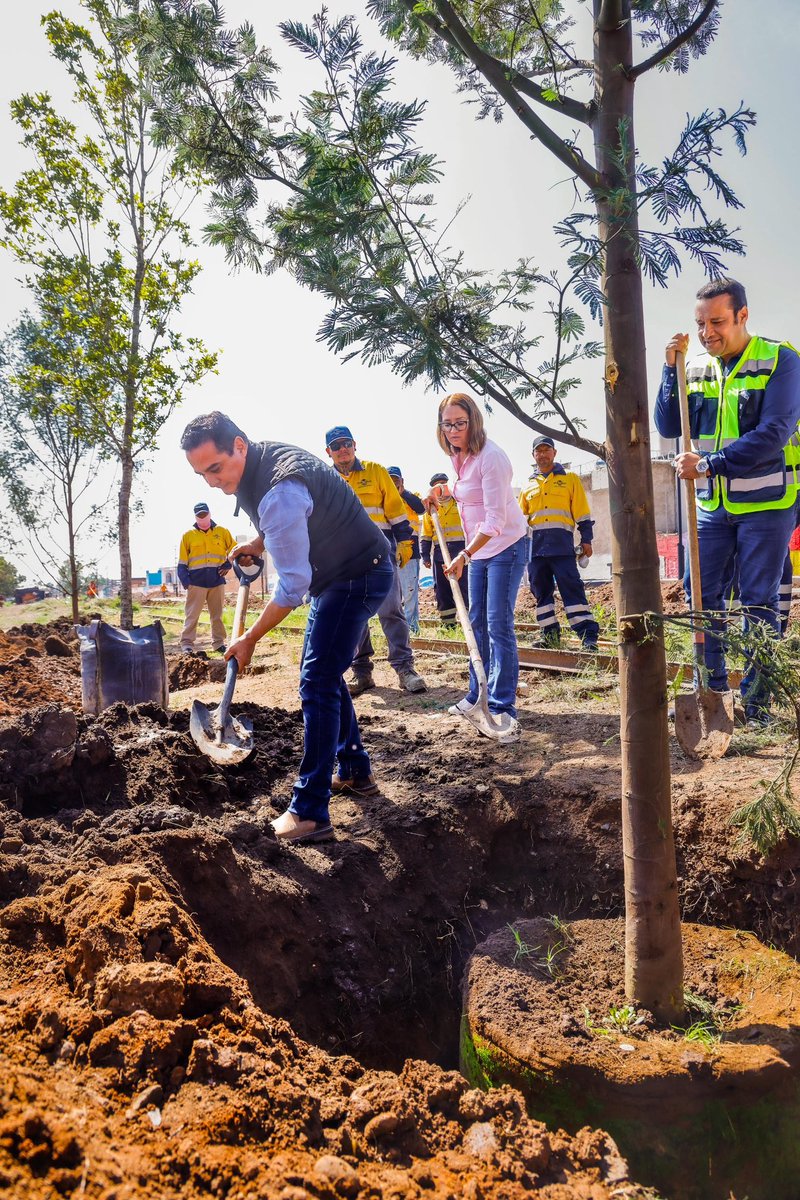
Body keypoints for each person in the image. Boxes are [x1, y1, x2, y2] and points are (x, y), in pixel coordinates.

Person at [180, 411, 394, 845]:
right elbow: (297, 517)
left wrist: (248, 639)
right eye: (201, 473)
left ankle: (310, 812)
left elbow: (291, 587)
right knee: (324, 675)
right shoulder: (265, 462)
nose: (211, 482)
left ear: (238, 446)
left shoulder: (279, 492)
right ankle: (354, 769)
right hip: (336, 576)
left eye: (215, 468)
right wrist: (259, 542)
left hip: (358, 576)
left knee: (315, 682)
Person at [654, 277, 800, 725]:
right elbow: (665, 424)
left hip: (766, 503)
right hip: (710, 508)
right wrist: (668, 370)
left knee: (758, 602)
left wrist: (711, 464)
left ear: (743, 316)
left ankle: (757, 706)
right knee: (703, 598)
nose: (707, 332)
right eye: (700, 323)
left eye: (717, 321)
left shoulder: (780, 360)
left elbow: (774, 432)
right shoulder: (695, 369)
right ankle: (711, 693)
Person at [427, 393, 529, 743]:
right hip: (481, 551)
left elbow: (496, 520)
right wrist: (442, 490)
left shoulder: (492, 458)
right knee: (476, 622)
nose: (453, 430)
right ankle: (476, 696)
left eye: (460, 423)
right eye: (447, 424)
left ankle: (503, 706)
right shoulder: (460, 458)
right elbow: (465, 493)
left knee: (498, 622)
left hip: (506, 546)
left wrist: (465, 554)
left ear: (473, 421)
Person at [325, 426, 426, 695]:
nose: (342, 449)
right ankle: (362, 673)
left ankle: (405, 669)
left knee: (391, 610)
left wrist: (405, 543)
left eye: (346, 443)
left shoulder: (376, 471)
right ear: (329, 452)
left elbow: (395, 509)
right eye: (336, 446)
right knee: (354, 616)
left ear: (355, 445)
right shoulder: (323, 479)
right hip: (345, 557)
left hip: (380, 551)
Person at [518, 436, 599, 650]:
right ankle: (550, 636)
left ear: (554, 453)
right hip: (535, 551)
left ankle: (588, 636)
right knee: (541, 592)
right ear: (533, 455)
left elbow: (582, 512)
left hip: (561, 548)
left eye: (547, 450)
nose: (542, 454)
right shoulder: (528, 486)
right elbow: (519, 522)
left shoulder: (570, 479)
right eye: (539, 451)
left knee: (572, 589)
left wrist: (587, 539)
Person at [177, 501, 234, 654]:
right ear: (195, 517)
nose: (202, 517)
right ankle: (187, 644)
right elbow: (182, 562)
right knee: (192, 615)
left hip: (216, 581)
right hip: (196, 582)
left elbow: (235, 550)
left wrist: (228, 564)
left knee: (217, 616)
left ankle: (219, 643)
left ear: (209, 513)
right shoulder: (188, 535)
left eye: (204, 514)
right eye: (199, 515)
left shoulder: (222, 532)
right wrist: (186, 582)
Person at [420, 472, 469, 626]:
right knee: (442, 589)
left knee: (464, 586)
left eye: (443, 483)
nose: (440, 487)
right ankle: (448, 624)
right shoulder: (431, 510)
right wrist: (425, 556)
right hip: (441, 554)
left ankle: (468, 620)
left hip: (460, 552)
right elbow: (426, 534)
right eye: (436, 485)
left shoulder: (460, 503)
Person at [387, 465, 425, 634]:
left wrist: (403, 493)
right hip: (389, 547)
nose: (393, 483)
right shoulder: (383, 497)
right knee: (392, 592)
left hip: (410, 549)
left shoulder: (411, 496)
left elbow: (421, 508)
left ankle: (411, 628)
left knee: (410, 590)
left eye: (396, 480)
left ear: (402, 481)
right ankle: (397, 629)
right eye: (390, 480)